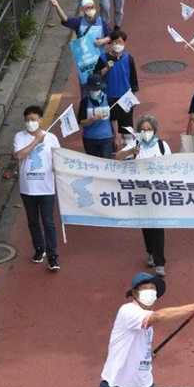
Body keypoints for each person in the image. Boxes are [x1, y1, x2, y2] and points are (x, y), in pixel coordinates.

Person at [116, 115, 170, 277]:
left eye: (149, 129)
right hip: (140, 192)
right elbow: (117, 157)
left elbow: (171, 164)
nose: (146, 132)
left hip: (158, 192)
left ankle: (160, 263)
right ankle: (151, 252)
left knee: (158, 226)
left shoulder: (161, 145)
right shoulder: (136, 144)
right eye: (143, 130)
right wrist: (131, 151)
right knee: (146, 224)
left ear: (154, 130)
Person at [13, 105, 60, 270]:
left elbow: (58, 159)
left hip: (46, 188)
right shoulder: (20, 136)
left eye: (33, 119)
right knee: (33, 221)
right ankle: (40, 248)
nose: (30, 123)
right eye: (27, 120)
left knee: (48, 222)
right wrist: (36, 141)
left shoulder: (52, 138)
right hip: (28, 188)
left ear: (41, 120)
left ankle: (53, 256)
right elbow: (19, 155)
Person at [94, 29, 140, 147]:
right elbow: (96, 76)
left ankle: (128, 147)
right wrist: (106, 68)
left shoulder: (129, 58)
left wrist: (134, 95)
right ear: (111, 44)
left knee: (127, 123)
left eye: (120, 42)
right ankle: (112, 144)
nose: (117, 45)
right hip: (109, 97)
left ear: (124, 43)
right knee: (109, 123)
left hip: (126, 96)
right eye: (114, 42)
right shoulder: (103, 59)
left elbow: (133, 78)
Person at [78, 72, 114, 158]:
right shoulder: (84, 102)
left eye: (97, 89)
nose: (95, 92)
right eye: (92, 89)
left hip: (106, 138)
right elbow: (81, 122)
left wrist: (117, 137)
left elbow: (114, 119)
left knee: (105, 163)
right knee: (93, 164)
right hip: (89, 139)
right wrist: (92, 119)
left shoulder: (109, 100)